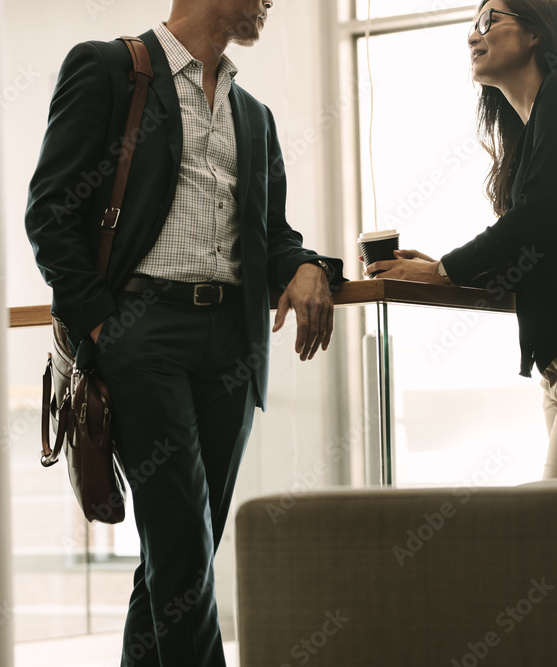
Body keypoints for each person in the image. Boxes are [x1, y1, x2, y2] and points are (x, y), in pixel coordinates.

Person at [25, 1, 344, 664]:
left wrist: (307, 265)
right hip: (143, 335)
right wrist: (103, 323)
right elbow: (51, 211)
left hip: (232, 344)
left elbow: (272, 236)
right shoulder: (110, 69)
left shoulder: (252, 115)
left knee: (177, 554)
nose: (270, 2)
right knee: (185, 551)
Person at [367, 0, 557, 480]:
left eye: (490, 20)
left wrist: (442, 271)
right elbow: (544, 244)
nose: (474, 35)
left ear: (536, 32)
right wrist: (444, 269)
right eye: (472, 25)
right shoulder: (534, 131)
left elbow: (537, 217)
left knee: (556, 532)